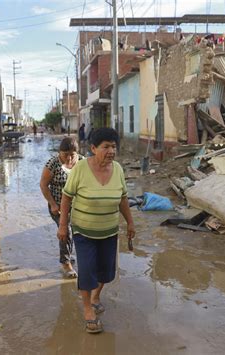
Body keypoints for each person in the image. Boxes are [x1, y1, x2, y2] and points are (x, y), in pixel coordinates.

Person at [58, 127, 135, 334]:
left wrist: (130, 222)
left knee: (106, 271)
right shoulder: (81, 169)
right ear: (93, 148)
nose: (111, 151)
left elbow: (123, 198)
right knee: (87, 269)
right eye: (106, 146)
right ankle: (87, 309)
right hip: (83, 231)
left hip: (109, 231)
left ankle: (95, 296)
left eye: (114, 146)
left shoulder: (118, 169)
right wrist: (63, 225)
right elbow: (67, 197)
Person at [40, 136, 84, 278]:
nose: (69, 158)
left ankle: (69, 255)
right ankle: (65, 263)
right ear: (60, 153)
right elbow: (43, 185)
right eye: (65, 155)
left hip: (78, 207)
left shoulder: (83, 163)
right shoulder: (52, 164)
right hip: (58, 206)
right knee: (66, 231)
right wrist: (53, 204)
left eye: (72, 155)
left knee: (76, 232)